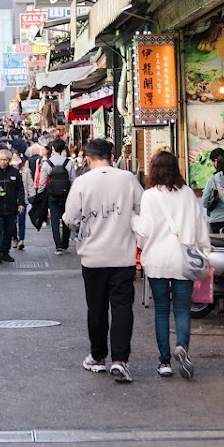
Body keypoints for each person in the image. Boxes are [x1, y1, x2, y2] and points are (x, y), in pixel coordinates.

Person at [63, 138, 143, 383]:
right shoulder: (128, 179)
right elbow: (142, 209)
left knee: (96, 309)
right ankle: (120, 361)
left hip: (93, 257)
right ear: (112, 154)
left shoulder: (82, 182)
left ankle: (97, 358)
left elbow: (70, 218)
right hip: (123, 256)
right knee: (122, 309)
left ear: (87, 158)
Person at [133, 151, 208, 380]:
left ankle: (164, 362)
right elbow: (200, 225)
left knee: (162, 311)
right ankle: (182, 347)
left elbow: (144, 231)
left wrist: (131, 220)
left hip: (157, 260)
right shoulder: (187, 194)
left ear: (153, 169)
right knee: (183, 309)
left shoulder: (149, 196)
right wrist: (204, 250)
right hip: (183, 260)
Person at [0, 148, 24, 264]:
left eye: (6, 160)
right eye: (1, 160)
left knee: (8, 231)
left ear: (9, 160)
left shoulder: (14, 172)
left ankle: (5, 252)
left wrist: (21, 203)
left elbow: (20, 189)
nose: (3, 162)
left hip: (11, 208)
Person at [39, 138, 75, 254]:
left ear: (53, 149)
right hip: (66, 195)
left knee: (54, 220)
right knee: (66, 219)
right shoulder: (69, 162)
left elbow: (42, 182)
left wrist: (40, 193)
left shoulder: (47, 164)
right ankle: (65, 244)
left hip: (52, 195)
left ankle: (58, 246)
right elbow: (72, 180)